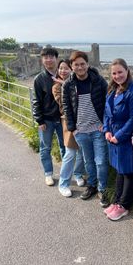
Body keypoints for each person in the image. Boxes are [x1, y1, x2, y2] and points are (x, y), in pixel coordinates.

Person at [62, 51, 109, 206]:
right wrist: (72, 128)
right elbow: (67, 107)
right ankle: (92, 185)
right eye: (76, 64)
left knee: (101, 161)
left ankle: (102, 189)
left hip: (98, 129)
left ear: (87, 65)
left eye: (83, 64)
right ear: (72, 66)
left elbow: (107, 103)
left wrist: (105, 123)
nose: (80, 67)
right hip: (80, 131)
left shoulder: (98, 81)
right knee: (88, 162)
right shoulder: (67, 85)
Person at [103, 59, 133, 220]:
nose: (117, 76)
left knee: (130, 172)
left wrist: (118, 136)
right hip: (112, 135)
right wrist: (106, 130)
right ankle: (117, 201)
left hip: (126, 137)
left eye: (120, 72)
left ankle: (124, 205)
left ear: (127, 71)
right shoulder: (112, 88)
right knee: (120, 170)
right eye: (114, 73)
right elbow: (106, 112)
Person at [51, 59, 86, 197]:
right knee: (70, 152)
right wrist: (64, 84)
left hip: (84, 121)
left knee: (82, 151)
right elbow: (63, 104)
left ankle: (77, 174)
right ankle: (63, 183)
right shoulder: (57, 87)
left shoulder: (76, 83)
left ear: (71, 69)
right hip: (69, 121)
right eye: (60, 68)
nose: (63, 71)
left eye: (66, 68)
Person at [32, 47, 65, 186]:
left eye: (51, 57)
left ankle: (66, 174)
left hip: (63, 118)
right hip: (46, 119)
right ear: (42, 60)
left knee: (66, 147)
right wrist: (39, 119)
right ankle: (48, 174)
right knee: (45, 148)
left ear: (56, 58)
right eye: (46, 57)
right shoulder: (39, 79)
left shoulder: (63, 74)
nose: (49, 59)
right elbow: (36, 100)